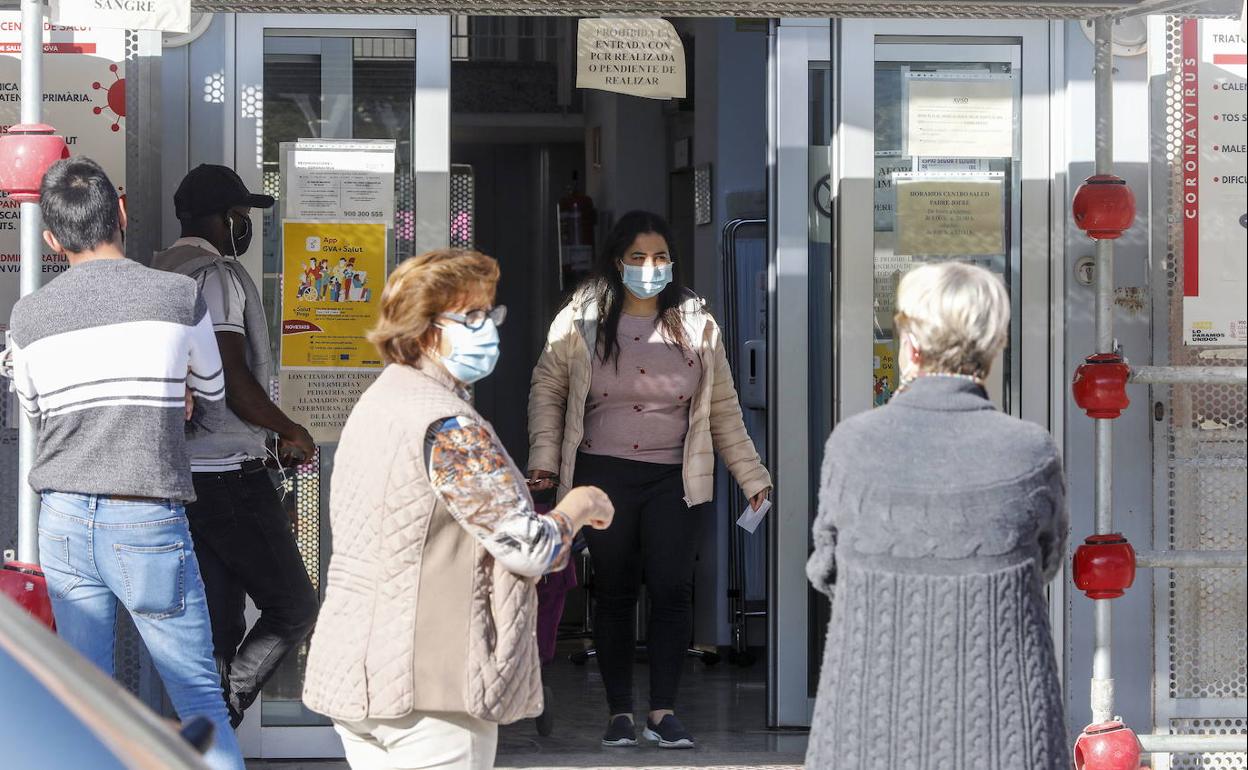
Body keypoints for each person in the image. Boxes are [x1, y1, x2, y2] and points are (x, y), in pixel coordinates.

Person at [302, 249, 615, 770]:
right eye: (471, 318)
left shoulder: (377, 402)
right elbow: (527, 547)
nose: (488, 330)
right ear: (424, 331)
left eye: (489, 315)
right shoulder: (448, 426)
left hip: (359, 672)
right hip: (432, 688)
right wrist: (578, 506)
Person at [7, 158, 245, 770]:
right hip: (146, 519)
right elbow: (213, 398)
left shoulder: (28, 317)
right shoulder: (177, 295)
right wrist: (174, 399)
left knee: (87, 707)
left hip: (61, 519)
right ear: (122, 213)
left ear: (51, 239)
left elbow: (33, 412)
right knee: (198, 700)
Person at [805, 262, 1068, 770]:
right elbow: (1047, 563)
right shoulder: (1031, 452)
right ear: (994, 346)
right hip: (1005, 729)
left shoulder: (852, 445)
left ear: (911, 345)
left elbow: (827, 569)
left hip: (866, 728)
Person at [527, 211, 772, 750]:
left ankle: (663, 712)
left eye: (660, 257)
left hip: (674, 478)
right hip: (602, 473)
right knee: (613, 590)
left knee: (671, 588)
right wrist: (544, 459)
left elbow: (724, 408)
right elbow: (548, 387)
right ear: (618, 262)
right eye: (638, 257)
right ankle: (619, 712)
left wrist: (751, 474)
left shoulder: (697, 323)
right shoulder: (582, 319)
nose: (649, 267)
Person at [151, 163, 319, 728]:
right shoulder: (215, 275)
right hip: (228, 475)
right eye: (241, 217)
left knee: (219, 625)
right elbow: (229, 374)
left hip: (182, 476)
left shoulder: (160, 271)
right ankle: (223, 708)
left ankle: (207, 741)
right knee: (294, 605)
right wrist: (289, 429)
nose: (243, 228)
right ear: (222, 220)